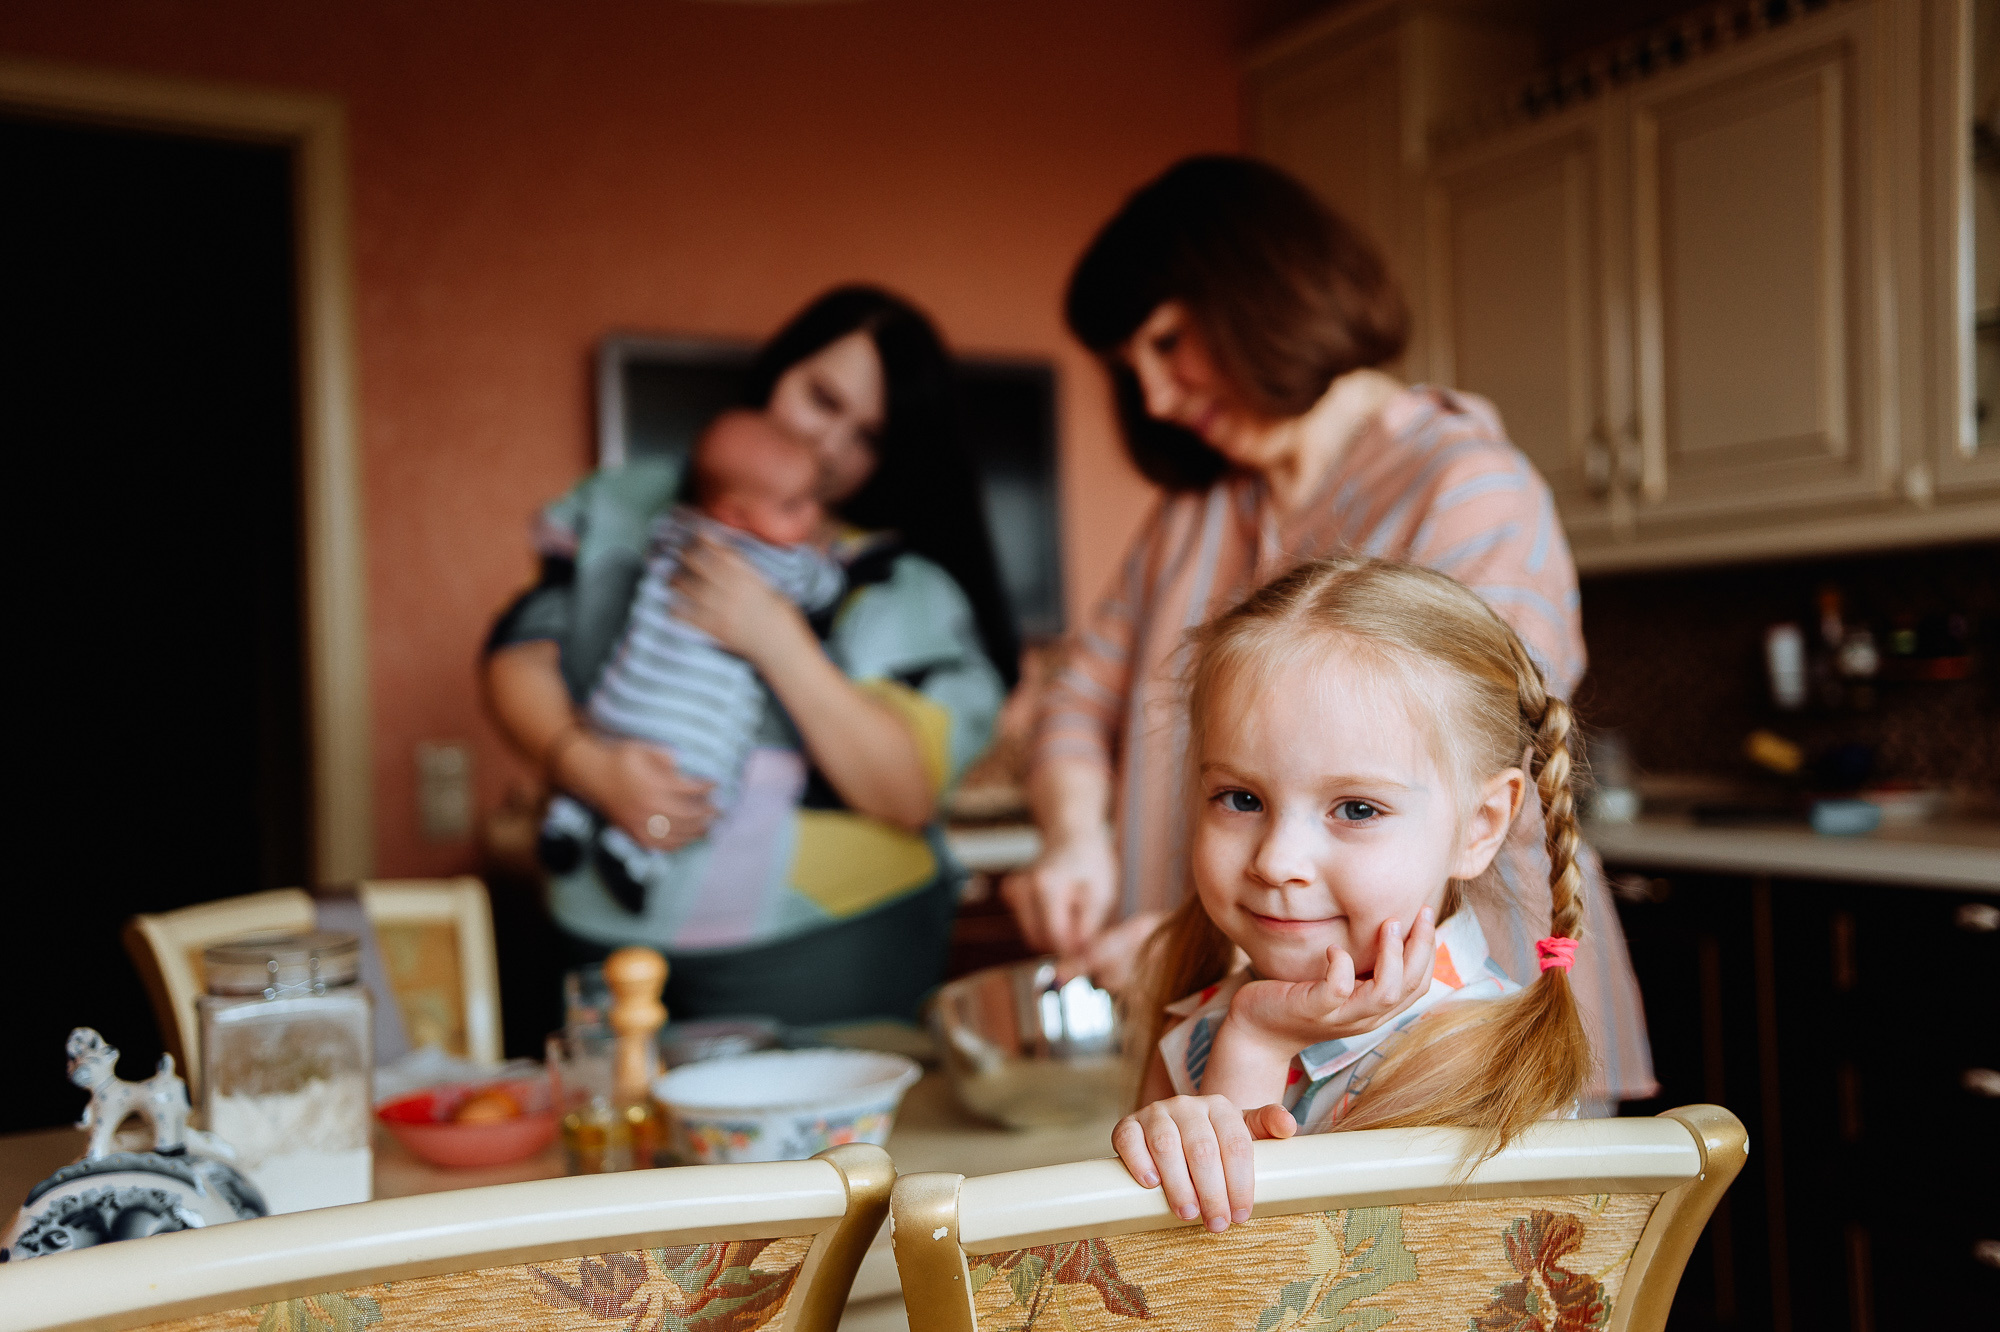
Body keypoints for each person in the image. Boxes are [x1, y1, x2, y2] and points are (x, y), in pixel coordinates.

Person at [1005, 154, 1654, 1108]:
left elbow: (1475, 750)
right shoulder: (1197, 511)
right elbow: (1079, 695)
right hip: (1257, 1015)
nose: (1153, 397)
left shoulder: (1466, 483)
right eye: (1129, 367)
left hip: (1461, 1040)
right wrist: (1073, 840)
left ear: (1264, 294)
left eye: (1170, 342)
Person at [485, 286, 1016, 1024]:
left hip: (829, 957)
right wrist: (589, 768)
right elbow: (518, 655)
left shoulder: (904, 586)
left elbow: (904, 793)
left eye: (868, 436)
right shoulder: (622, 507)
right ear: (777, 369)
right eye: (822, 399)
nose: (831, 446)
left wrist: (772, 633)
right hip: (602, 945)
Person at [1113, 557, 1593, 1232]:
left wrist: (1251, 1050)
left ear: (1480, 826)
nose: (1278, 861)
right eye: (1241, 798)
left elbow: (1266, 1297)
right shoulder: (1198, 1028)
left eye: (1357, 809)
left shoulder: (1473, 1069)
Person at [538, 409, 844, 908]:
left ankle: (566, 822)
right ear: (734, 515)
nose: (813, 514)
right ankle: (634, 854)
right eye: (794, 505)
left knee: (597, 769)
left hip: (622, 699)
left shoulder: (671, 530)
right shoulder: (777, 561)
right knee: (698, 805)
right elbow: (823, 588)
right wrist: (830, 562)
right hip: (690, 731)